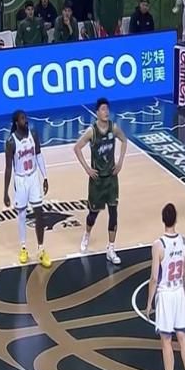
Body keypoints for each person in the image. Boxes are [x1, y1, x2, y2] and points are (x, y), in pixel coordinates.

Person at [146, 203, 185, 370]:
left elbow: (154, 278)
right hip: (179, 291)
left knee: (166, 340)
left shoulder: (158, 245)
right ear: (176, 218)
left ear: (162, 219)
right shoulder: (184, 241)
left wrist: (149, 302)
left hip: (165, 294)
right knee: (182, 336)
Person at [74, 98, 127, 265]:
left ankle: (111, 248)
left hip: (111, 179)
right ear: (97, 112)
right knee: (93, 214)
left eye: (107, 109)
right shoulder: (92, 131)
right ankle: (87, 234)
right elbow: (77, 148)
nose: (106, 112)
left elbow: (124, 140)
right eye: (103, 109)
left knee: (114, 213)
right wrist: (87, 168)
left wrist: (120, 162)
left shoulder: (114, 128)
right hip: (97, 180)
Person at [4, 110, 51, 268]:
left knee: (39, 213)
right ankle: (23, 248)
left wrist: (45, 177)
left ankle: (41, 249)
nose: (26, 120)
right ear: (16, 122)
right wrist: (5, 192)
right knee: (22, 214)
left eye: (26, 117)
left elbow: (39, 156)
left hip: (33, 177)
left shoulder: (34, 134)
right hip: (20, 180)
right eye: (23, 118)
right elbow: (8, 168)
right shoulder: (11, 142)